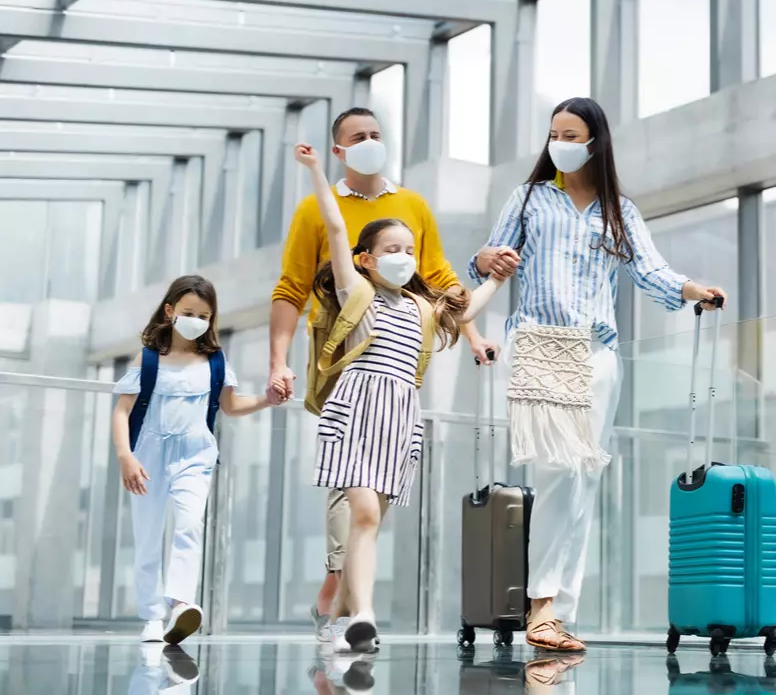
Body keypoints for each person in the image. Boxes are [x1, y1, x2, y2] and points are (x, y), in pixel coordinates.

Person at [470, 97, 727, 651]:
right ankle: (540, 606)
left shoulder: (619, 211)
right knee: (559, 469)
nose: (559, 141)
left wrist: (694, 291)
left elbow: (651, 271)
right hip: (540, 342)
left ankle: (557, 612)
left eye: (571, 133)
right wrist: (487, 258)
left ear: (594, 143)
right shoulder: (530, 198)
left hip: (598, 354)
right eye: (553, 132)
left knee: (583, 479)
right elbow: (486, 259)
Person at [267, 107, 498, 641]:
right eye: (357, 136)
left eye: (376, 133)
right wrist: (277, 362)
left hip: (400, 407)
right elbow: (292, 286)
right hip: (348, 374)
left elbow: (446, 290)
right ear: (339, 149)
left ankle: (344, 607)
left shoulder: (412, 213)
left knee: (372, 516)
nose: (370, 141)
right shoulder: (344, 264)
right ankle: (347, 601)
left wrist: (480, 319)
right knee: (355, 504)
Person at [112, 275, 276, 645]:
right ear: (170, 311)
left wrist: (267, 399)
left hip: (195, 455)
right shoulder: (149, 358)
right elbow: (122, 412)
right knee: (149, 536)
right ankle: (152, 616)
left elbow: (231, 406)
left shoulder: (215, 361)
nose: (196, 320)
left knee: (188, 526)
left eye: (204, 315)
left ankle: (180, 605)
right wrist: (125, 456)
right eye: (188, 312)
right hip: (148, 457)